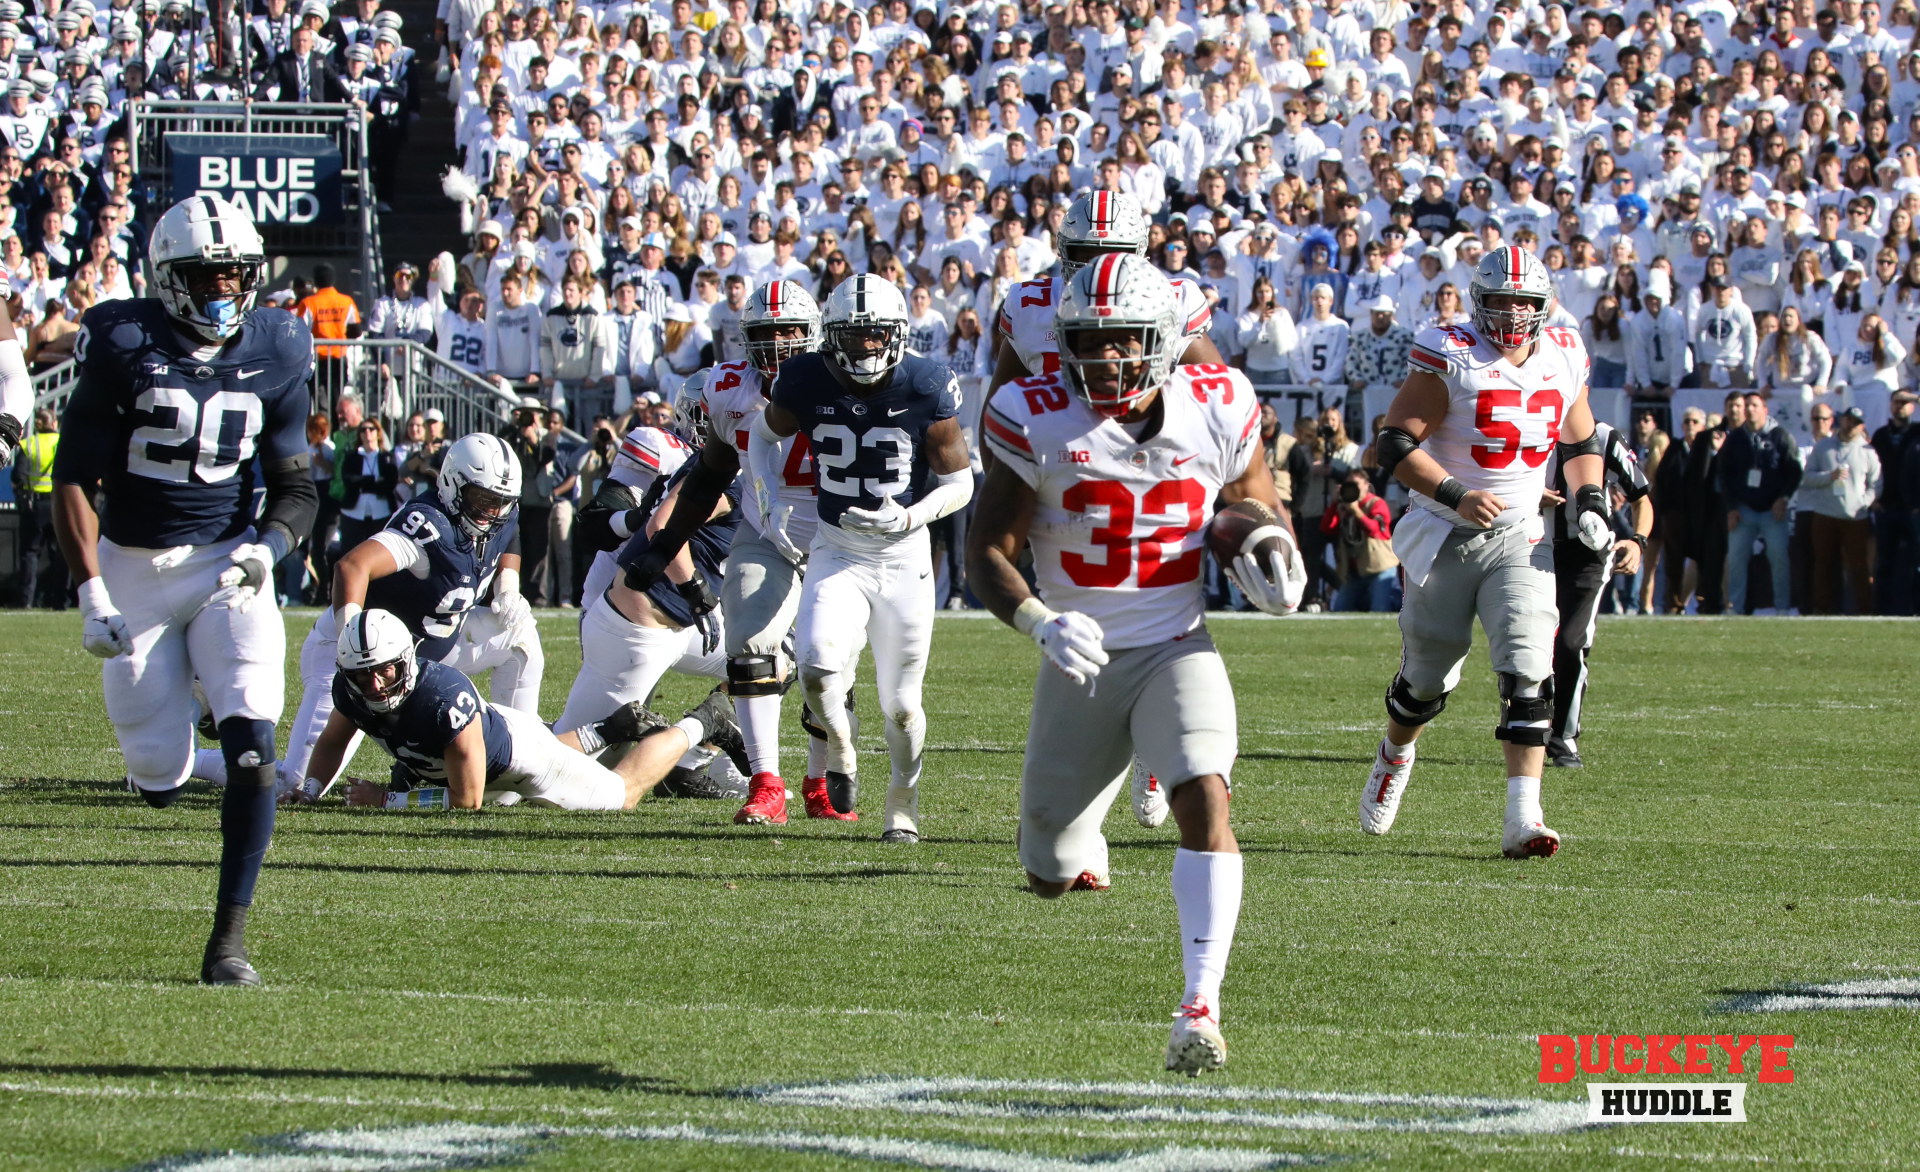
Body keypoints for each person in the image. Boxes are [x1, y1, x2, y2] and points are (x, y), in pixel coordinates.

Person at [966, 252, 1305, 1075]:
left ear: (1160, 342)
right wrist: (1040, 622)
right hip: (1077, 658)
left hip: (1173, 643)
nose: (1103, 358)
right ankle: (1088, 805)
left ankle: (1200, 1007)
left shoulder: (1219, 402)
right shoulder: (1030, 412)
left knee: (1205, 794)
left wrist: (1268, 541)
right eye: (1087, 340)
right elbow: (986, 550)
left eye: (1122, 342)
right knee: (1049, 871)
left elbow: (1254, 495)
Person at [50, 195, 318, 986]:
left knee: (254, 742)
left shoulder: (279, 342)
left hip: (227, 563)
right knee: (160, 776)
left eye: (237, 274)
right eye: (206, 276)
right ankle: (176, 754)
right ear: (168, 280)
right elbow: (72, 477)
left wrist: (269, 550)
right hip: (133, 565)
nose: (223, 290)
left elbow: (295, 486)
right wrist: (91, 592)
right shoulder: (120, 339)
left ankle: (227, 944)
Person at [1358, 245, 1612, 859]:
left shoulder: (1564, 354)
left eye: (1522, 302)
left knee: (1530, 669)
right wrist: (1456, 492)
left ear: (1542, 305)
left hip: (1521, 534)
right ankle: (1396, 752)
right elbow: (1391, 444)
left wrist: (1592, 499)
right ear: (1479, 301)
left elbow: (1580, 439)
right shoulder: (1450, 351)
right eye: (1498, 301)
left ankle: (1524, 818)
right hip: (1444, 531)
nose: (1510, 314)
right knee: (1426, 679)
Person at [744, 273, 973, 842]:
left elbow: (961, 481)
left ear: (896, 335)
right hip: (837, 549)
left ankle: (903, 800)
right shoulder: (802, 378)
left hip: (903, 557)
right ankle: (842, 750)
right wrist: (768, 503)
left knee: (901, 705)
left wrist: (911, 517)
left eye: (877, 336)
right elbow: (759, 438)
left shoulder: (925, 383)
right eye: (854, 336)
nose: (866, 347)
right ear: (832, 337)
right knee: (818, 667)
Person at [622, 281, 850, 826]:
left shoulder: (842, 381)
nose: (775, 346)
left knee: (829, 670)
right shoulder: (729, 389)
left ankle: (818, 779)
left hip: (841, 539)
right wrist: (665, 545)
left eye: (787, 332)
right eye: (764, 334)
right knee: (749, 645)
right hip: (766, 532)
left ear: (812, 333)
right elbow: (709, 475)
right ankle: (766, 781)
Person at [207, 432, 541, 796]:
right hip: (356, 657)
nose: (493, 511)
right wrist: (351, 641)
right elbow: (351, 567)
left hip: (430, 649)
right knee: (294, 785)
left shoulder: (499, 513)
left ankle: (519, 746)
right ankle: (185, 762)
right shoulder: (427, 526)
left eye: (501, 502)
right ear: (452, 484)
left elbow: (509, 532)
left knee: (519, 637)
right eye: (483, 500)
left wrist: (508, 584)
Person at [290, 609, 740, 811]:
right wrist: (310, 789)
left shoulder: (440, 699)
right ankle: (611, 727)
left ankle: (704, 720)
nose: (373, 684)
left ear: (405, 660)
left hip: (522, 761)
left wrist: (387, 800)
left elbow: (467, 802)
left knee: (621, 795)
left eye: (384, 671)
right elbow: (332, 741)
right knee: (495, 780)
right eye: (362, 675)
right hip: (492, 748)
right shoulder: (352, 687)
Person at [987, 190, 1219, 398]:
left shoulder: (1174, 301)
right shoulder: (1031, 306)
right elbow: (998, 411)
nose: (1101, 267)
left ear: (1140, 253)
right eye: (1087, 255)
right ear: (1064, 251)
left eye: (1114, 254)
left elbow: (1218, 400)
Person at [1545, 418, 1652, 769]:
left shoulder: (1603, 435)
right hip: (1528, 545)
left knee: (1571, 643)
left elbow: (1641, 496)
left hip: (1586, 553)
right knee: (1524, 644)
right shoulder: (1524, 423)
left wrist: (1637, 542)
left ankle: (1563, 739)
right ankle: (1524, 729)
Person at [1720, 391, 1802, 615]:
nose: (1749, 409)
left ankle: (1782, 608)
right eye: (1746, 405)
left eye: (1754, 405)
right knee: (1736, 558)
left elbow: (1794, 471)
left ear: (1765, 409)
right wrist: (1731, 507)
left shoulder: (1780, 436)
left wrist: (1784, 498)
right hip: (1743, 509)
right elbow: (1724, 475)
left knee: (1778, 557)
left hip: (1772, 509)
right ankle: (1736, 607)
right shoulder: (1736, 438)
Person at [1798, 406, 1882, 614]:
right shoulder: (1824, 446)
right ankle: (1822, 607)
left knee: (1858, 565)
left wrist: (1863, 502)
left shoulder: (1867, 451)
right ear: (1841, 421)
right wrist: (1829, 477)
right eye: (1847, 420)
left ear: (1861, 426)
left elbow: (1877, 483)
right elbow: (1806, 478)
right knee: (1823, 562)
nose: (1850, 425)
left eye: (1855, 422)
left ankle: (1864, 608)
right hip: (1825, 514)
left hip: (1855, 517)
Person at [1321, 466, 1399, 612]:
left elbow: (1375, 530)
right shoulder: (1343, 506)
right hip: (1355, 572)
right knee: (1340, 609)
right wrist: (1334, 504)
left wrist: (1356, 511)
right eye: (1348, 484)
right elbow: (1327, 528)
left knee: (1379, 609)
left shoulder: (1376, 503)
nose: (1352, 488)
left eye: (1356, 485)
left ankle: (1398, 600)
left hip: (1380, 568)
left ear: (1366, 486)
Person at [12, 406, 63, 607]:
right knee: (59, 554)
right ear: (54, 423)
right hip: (58, 504)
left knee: (30, 554)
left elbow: (18, 476)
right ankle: (59, 601)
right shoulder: (61, 442)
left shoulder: (29, 444)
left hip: (35, 505)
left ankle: (26, 601)